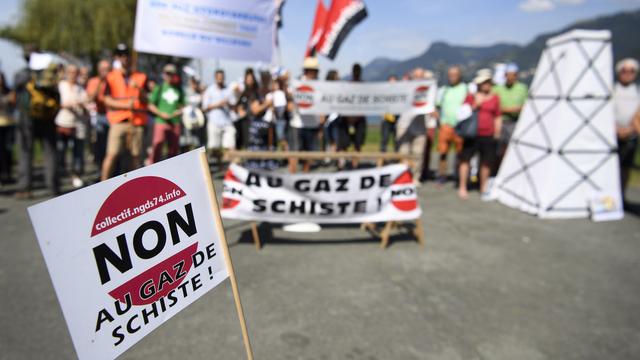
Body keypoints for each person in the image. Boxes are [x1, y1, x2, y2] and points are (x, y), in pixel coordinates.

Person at [15, 46, 60, 198]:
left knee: (26, 153)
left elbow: (17, 96)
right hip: (48, 118)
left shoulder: (22, 74)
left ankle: (24, 188)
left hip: (27, 120)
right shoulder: (50, 74)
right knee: (50, 152)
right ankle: (53, 186)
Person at [101, 43, 148, 181]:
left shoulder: (140, 76)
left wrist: (138, 89)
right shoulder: (111, 77)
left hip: (136, 121)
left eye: (126, 55)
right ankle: (102, 184)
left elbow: (146, 100)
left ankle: (136, 187)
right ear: (117, 57)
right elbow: (106, 100)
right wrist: (125, 105)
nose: (124, 58)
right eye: (121, 55)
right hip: (118, 121)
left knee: (135, 156)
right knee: (112, 154)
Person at [458, 71, 502, 200]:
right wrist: (475, 104)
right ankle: (463, 186)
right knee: (465, 160)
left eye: (488, 82)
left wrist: (497, 131)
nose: (487, 85)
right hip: (471, 134)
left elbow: (497, 116)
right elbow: (462, 113)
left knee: (486, 162)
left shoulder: (495, 98)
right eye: (484, 82)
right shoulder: (470, 97)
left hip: (488, 134)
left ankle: (483, 187)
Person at [55, 64, 89, 188]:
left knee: (78, 152)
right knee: (61, 150)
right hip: (63, 122)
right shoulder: (61, 86)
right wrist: (66, 105)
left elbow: (87, 107)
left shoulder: (81, 89)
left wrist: (82, 106)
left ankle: (76, 175)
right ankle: (60, 173)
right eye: (71, 72)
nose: (73, 74)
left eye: (75, 72)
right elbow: (56, 103)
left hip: (78, 124)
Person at [613, 58, 640, 203]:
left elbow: (638, 115)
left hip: (631, 135)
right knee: (611, 167)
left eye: (631, 71)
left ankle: (621, 198)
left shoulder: (637, 91)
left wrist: (630, 129)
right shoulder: (612, 89)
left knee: (625, 169)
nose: (628, 73)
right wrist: (615, 128)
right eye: (624, 70)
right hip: (612, 134)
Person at [492, 63, 528, 173]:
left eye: (512, 75)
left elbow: (526, 106)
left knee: (513, 150)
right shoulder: (497, 89)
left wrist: (506, 109)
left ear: (516, 76)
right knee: (497, 150)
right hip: (500, 122)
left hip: (515, 122)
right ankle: (497, 172)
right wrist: (511, 110)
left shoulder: (522, 88)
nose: (510, 77)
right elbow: (494, 106)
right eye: (507, 75)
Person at [288, 57, 322, 173]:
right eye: (314, 71)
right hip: (297, 123)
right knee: (294, 152)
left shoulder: (319, 84)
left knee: (309, 154)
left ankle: (305, 175)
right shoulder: (296, 83)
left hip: (313, 124)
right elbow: (289, 99)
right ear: (307, 71)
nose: (316, 73)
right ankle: (292, 175)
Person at [147, 64, 184, 164]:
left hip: (175, 122)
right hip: (161, 121)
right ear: (164, 74)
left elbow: (183, 105)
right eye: (167, 73)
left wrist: (179, 111)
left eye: (171, 74)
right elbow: (150, 105)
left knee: (173, 150)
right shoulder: (159, 88)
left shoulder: (179, 89)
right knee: (157, 147)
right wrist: (161, 114)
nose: (169, 76)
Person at [435, 66, 466, 185]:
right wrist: (439, 120)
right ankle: (442, 175)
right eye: (450, 75)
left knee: (460, 153)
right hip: (445, 125)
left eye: (455, 74)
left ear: (460, 75)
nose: (452, 77)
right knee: (443, 153)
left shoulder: (465, 88)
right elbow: (437, 106)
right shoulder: (443, 90)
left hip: (460, 126)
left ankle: (458, 175)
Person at [336, 63, 367, 168]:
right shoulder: (348, 85)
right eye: (355, 70)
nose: (356, 73)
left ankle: (355, 165)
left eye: (358, 70)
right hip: (346, 118)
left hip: (359, 119)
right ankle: (342, 164)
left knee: (357, 144)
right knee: (343, 144)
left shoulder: (363, 85)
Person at [86, 59, 111, 178]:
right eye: (103, 70)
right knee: (100, 145)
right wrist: (101, 83)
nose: (105, 72)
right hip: (101, 116)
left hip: (114, 116)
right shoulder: (94, 81)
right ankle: (101, 172)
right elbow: (90, 98)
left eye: (108, 69)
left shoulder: (114, 81)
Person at [203, 69, 235, 155]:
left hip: (226, 121)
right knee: (214, 147)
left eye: (222, 77)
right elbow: (205, 107)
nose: (220, 79)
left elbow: (233, 106)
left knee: (230, 145)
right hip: (214, 121)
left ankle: (229, 166)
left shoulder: (228, 89)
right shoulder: (210, 90)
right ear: (215, 78)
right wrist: (218, 104)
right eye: (219, 77)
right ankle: (217, 165)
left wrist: (228, 104)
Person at [181, 75, 206, 151]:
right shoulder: (185, 92)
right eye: (193, 83)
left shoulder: (200, 94)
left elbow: (203, 107)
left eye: (196, 83)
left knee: (197, 143)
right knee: (187, 142)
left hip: (198, 122)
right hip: (187, 121)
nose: (194, 85)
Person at [0, 71, 15, 185]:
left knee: (8, 150)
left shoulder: (8, 90)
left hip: (9, 123)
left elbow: (13, 103)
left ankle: (8, 173)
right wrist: (6, 100)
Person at [323, 69, 340, 154]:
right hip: (327, 117)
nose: (338, 78)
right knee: (328, 138)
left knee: (336, 138)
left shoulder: (339, 88)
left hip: (336, 117)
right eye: (337, 76)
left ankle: (334, 156)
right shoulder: (325, 88)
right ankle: (329, 156)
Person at [380, 74, 398, 153]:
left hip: (397, 118)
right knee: (384, 139)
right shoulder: (384, 92)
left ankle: (397, 159)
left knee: (397, 140)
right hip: (386, 119)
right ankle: (381, 159)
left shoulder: (399, 93)